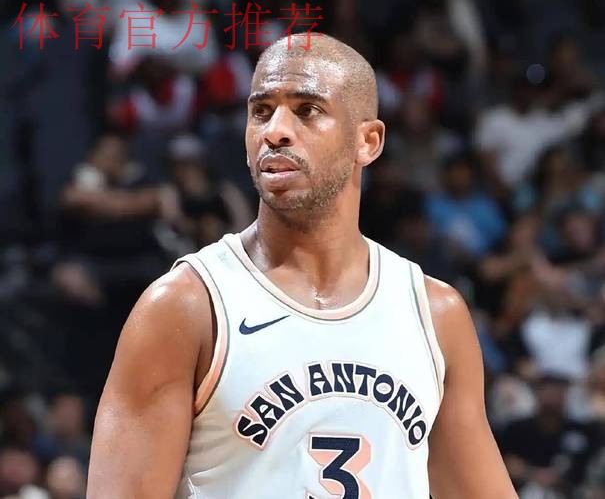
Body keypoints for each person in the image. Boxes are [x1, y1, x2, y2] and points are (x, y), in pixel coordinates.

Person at [87, 35, 517, 498]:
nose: (275, 131)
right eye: (261, 111)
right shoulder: (185, 306)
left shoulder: (434, 313)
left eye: (307, 110)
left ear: (367, 141)